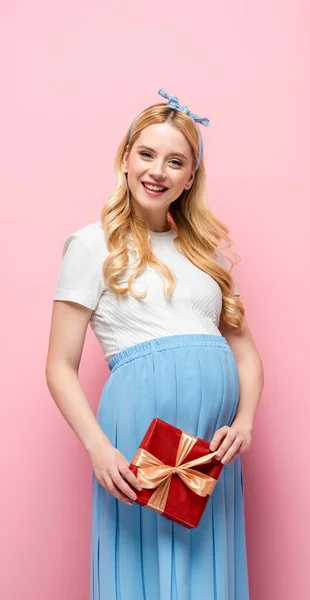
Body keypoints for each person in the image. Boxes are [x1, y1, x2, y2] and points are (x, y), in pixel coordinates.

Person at [46, 88, 264, 600]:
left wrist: (246, 420)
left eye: (175, 161)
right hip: (137, 440)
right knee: (145, 567)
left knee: (207, 569)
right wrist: (99, 448)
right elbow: (59, 365)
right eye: (146, 154)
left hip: (211, 449)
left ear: (190, 178)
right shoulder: (91, 244)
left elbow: (247, 353)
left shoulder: (204, 254)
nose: (158, 170)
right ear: (125, 158)